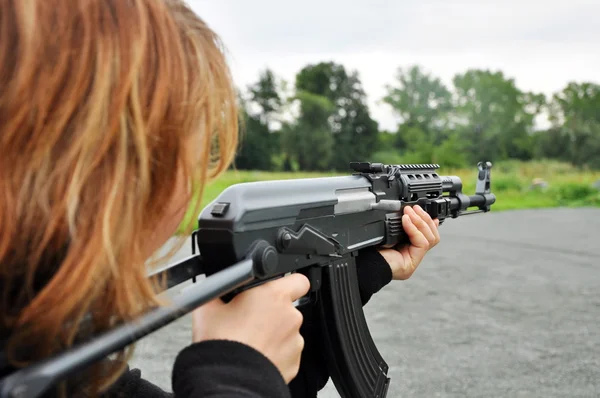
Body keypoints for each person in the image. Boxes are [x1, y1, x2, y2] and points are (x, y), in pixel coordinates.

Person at [0, 0, 441, 397]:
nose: (192, 188)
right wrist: (234, 376)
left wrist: (358, 276)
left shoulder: (38, 348)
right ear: (117, 175)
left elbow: (267, 385)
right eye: (194, 158)